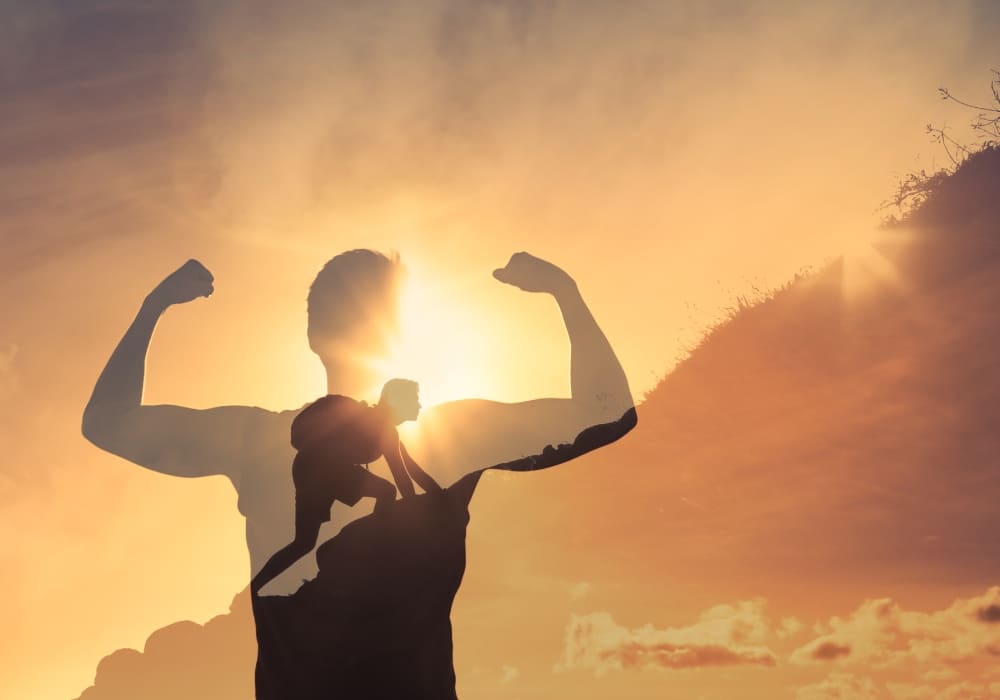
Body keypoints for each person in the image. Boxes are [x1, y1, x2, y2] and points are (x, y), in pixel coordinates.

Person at [82, 249, 635, 595]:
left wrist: (155, 305)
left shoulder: (253, 440)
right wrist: (565, 293)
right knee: (308, 539)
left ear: (311, 337)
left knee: (307, 542)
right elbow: (608, 412)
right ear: (400, 335)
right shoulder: (456, 438)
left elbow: (107, 422)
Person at [250, 379, 440, 594]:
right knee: (386, 492)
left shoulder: (382, 426)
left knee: (303, 542)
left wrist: (439, 495)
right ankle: (375, 546)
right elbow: (402, 479)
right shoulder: (384, 428)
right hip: (326, 468)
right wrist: (415, 514)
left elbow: (412, 471)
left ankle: (255, 587)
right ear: (399, 401)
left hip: (305, 466)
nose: (419, 405)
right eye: (415, 399)